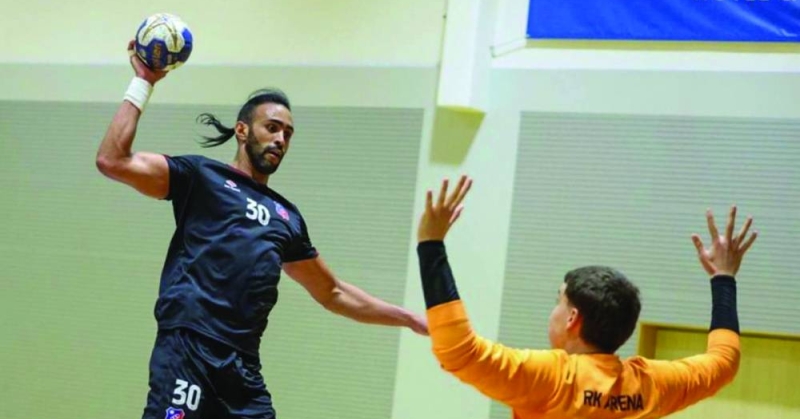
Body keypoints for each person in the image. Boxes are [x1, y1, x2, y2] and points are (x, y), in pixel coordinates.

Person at [95, 41, 428, 419]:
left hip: (242, 369)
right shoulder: (201, 177)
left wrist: (409, 318)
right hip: (189, 350)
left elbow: (333, 292)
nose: (281, 139)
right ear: (242, 130)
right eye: (272, 128)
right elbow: (112, 160)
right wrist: (143, 81)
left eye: (288, 133)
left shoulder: (286, 218)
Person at [415, 176, 757, 418]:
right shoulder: (649, 385)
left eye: (559, 300)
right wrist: (723, 279)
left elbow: (458, 350)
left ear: (572, 318)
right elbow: (723, 363)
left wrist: (431, 245)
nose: (553, 310)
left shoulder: (552, 378)